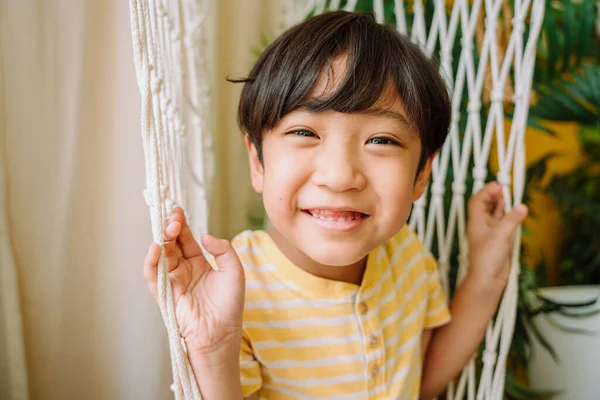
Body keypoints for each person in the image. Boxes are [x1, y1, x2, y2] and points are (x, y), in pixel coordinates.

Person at [143, 11, 528, 400]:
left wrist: (485, 277)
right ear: (258, 163)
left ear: (421, 174)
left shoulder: (408, 260)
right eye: (305, 132)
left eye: (381, 140)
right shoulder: (233, 289)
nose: (341, 176)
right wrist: (213, 348)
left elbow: (420, 384)